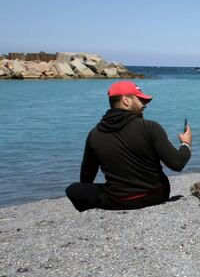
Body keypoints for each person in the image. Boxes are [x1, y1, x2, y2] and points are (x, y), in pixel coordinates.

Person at [65, 81, 192, 212]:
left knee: (73, 189)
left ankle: (90, 210)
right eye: (141, 100)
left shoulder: (95, 134)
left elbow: (86, 176)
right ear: (126, 100)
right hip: (156, 195)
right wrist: (186, 143)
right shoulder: (150, 127)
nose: (144, 105)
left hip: (118, 200)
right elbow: (177, 164)